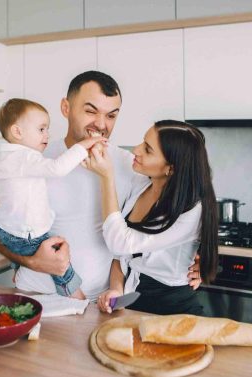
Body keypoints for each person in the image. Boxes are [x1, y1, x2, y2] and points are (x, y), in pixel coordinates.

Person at [0, 71, 203, 300]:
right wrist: (29, 261)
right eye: (90, 111)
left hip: (99, 302)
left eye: (111, 115)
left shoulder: (131, 165)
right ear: (66, 108)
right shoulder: (36, 159)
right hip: (35, 294)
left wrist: (196, 256)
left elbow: (175, 204)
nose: (101, 124)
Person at [84, 120, 218, 315]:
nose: (136, 150)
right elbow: (122, 256)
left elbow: (119, 243)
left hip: (173, 309)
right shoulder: (142, 185)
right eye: (142, 142)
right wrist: (116, 289)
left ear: (170, 169)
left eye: (147, 149)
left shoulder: (190, 211)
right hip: (133, 303)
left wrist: (106, 178)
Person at [0, 98, 106, 299]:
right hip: (26, 234)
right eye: (41, 129)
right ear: (17, 132)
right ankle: (73, 292)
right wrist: (83, 146)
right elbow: (57, 168)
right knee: (58, 257)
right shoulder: (26, 157)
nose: (47, 134)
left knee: (22, 242)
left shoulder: (6, 158)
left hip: (3, 229)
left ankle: (17, 269)